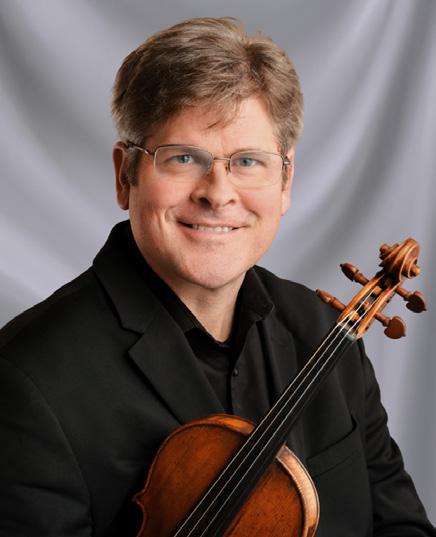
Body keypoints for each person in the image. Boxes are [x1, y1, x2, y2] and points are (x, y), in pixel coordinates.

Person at [0, 16, 434, 537]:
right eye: (183, 157)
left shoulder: (325, 333)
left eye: (248, 161)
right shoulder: (27, 380)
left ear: (285, 181)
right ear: (124, 175)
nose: (218, 193)